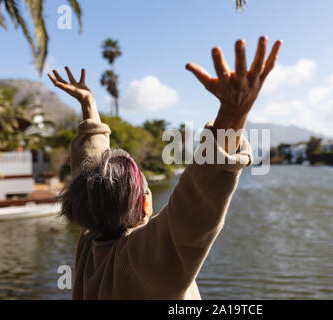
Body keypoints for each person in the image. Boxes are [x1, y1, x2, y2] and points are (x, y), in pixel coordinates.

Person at [48, 36, 282, 299]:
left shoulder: (91, 242)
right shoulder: (145, 261)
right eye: (146, 190)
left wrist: (89, 107)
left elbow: (92, 178)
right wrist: (235, 112)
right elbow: (198, 202)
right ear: (146, 205)